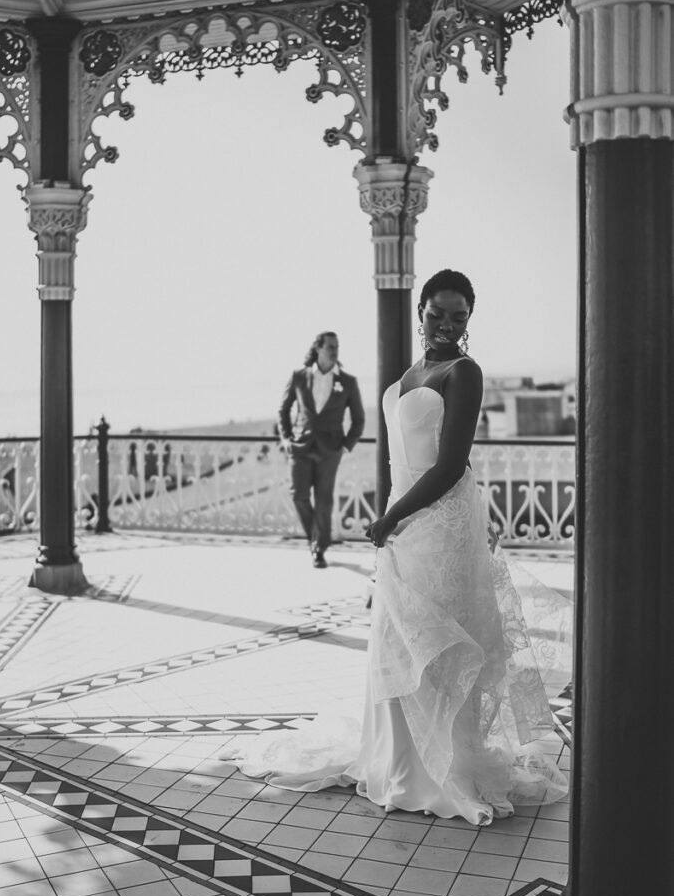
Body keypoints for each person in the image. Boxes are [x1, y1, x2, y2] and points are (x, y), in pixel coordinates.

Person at [231, 272, 567, 826]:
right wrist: (392, 520)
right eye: (438, 314)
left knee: (438, 644)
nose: (448, 326)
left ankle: (442, 769)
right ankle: (395, 761)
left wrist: (391, 515)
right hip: (404, 526)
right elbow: (399, 459)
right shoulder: (410, 373)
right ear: (420, 311)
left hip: (441, 524)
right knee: (395, 639)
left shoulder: (465, 373)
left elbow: (451, 463)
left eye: (459, 318)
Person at [278, 332, 365, 568]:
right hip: (300, 446)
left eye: (337, 346)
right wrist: (286, 438)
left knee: (324, 501)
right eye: (330, 346)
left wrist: (345, 447)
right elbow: (283, 410)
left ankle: (318, 548)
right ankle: (315, 538)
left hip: (330, 450)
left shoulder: (347, 382)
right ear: (318, 348)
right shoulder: (298, 377)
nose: (335, 350)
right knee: (299, 495)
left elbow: (358, 419)